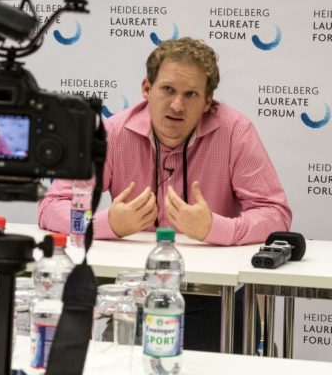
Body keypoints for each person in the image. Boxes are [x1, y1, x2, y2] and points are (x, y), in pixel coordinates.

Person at [38, 37, 291, 351]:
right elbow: (52, 206)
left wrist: (216, 228)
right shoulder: (112, 133)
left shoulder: (235, 131)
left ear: (208, 101)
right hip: (136, 293)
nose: (177, 105)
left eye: (191, 94)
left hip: (215, 296)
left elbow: (275, 214)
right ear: (147, 88)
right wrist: (107, 224)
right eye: (168, 90)